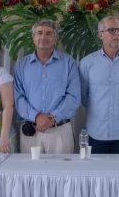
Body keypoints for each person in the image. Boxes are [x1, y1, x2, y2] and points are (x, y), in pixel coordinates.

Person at [79, 15, 119, 154]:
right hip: (96, 132)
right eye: (111, 30)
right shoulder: (87, 63)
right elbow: (84, 97)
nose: (116, 34)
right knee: (96, 174)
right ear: (100, 35)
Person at [14, 19, 80, 154]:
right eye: (39, 33)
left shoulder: (68, 63)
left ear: (55, 39)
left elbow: (73, 96)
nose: (43, 37)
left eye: (48, 33)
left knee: (62, 173)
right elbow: (17, 96)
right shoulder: (21, 65)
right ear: (33, 38)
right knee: (29, 174)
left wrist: (52, 118)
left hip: (60, 131)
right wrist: (37, 117)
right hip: (31, 131)